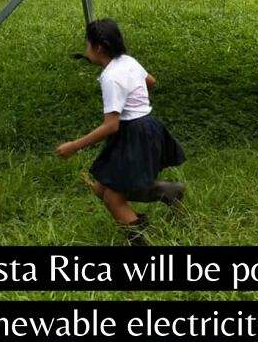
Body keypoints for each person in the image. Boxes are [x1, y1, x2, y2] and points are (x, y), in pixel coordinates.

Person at [56, 18, 185, 246]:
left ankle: (141, 243)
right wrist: (137, 100)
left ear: (98, 48)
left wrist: (74, 146)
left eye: (87, 44)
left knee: (113, 199)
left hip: (133, 133)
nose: (86, 49)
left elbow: (110, 125)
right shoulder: (128, 61)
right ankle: (166, 193)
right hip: (143, 127)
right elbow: (151, 82)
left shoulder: (111, 77)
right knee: (101, 188)